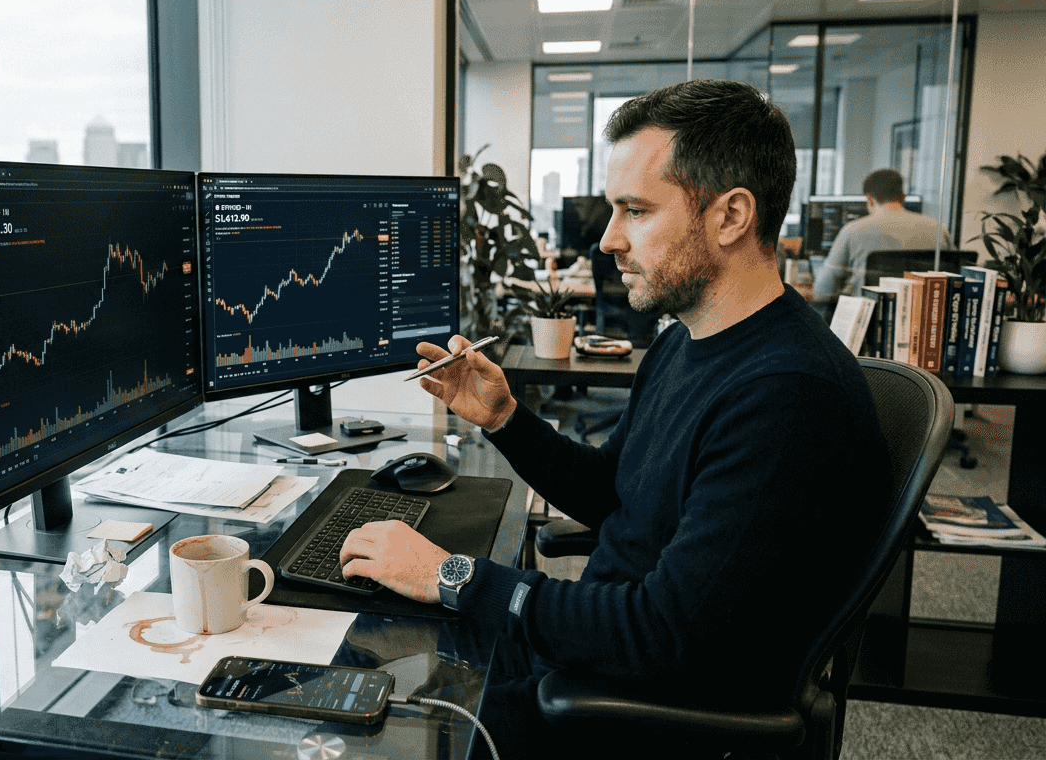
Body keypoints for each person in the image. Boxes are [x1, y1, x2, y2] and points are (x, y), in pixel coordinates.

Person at [338, 80, 892, 754]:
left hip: (627, 708)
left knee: (356, 726)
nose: (607, 240)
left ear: (731, 216)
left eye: (636, 210)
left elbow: (664, 632)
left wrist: (451, 575)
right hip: (585, 652)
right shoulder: (686, 340)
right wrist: (505, 416)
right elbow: (612, 491)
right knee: (354, 642)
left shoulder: (788, 396)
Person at [810, 168, 956, 305]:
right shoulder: (939, 229)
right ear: (902, 197)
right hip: (926, 319)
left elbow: (822, 291)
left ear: (870, 200)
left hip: (871, 321)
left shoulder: (852, 230)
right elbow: (955, 279)